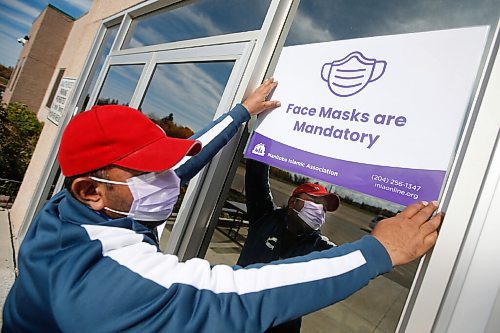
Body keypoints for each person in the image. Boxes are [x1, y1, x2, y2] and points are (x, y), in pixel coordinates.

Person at [2, 79, 442, 333]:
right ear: (90, 190)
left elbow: (188, 159)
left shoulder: (80, 210)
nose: (168, 179)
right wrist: (377, 251)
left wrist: (240, 113)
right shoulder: (97, 278)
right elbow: (229, 296)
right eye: (148, 172)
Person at [237, 159, 340, 332]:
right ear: (293, 202)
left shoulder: (320, 248)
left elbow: (356, 259)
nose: (320, 211)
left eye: (324, 208)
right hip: (237, 314)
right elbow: (256, 172)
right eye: (316, 201)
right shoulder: (265, 217)